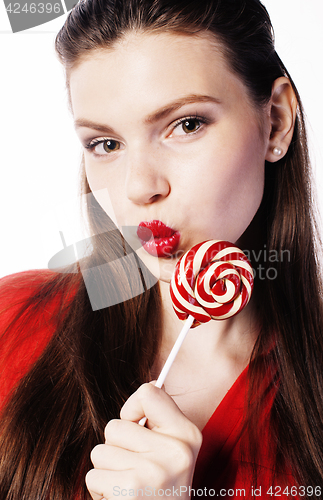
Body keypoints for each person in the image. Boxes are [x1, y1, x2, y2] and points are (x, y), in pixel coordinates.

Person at [0, 0, 323, 499]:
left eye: (186, 124)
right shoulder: (12, 320)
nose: (138, 188)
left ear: (276, 121)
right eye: (105, 144)